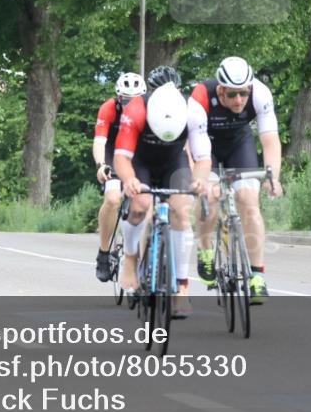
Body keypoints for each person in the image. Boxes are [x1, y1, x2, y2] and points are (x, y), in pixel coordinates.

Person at [113, 65, 211, 318]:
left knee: (181, 210)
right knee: (140, 205)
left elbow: (202, 158)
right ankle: (131, 260)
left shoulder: (193, 110)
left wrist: (199, 180)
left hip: (173, 162)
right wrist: (130, 179)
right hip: (141, 161)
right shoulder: (135, 110)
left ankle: (181, 287)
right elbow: (121, 157)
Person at [191, 56, 283, 304]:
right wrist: (201, 181)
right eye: (232, 95)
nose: (239, 100)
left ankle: (257, 275)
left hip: (238, 144)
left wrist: (272, 176)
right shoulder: (200, 97)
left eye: (243, 93)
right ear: (220, 89)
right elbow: (194, 146)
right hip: (205, 146)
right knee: (208, 197)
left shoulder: (260, 94)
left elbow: (270, 139)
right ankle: (206, 251)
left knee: (248, 201)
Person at [92, 71, 146, 282]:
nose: (129, 104)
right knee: (113, 199)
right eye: (125, 100)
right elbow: (100, 141)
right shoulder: (109, 108)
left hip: (137, 154)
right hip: (114, 154)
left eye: (134, 100)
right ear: (118, 97)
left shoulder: (149, 109)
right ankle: (104, 253)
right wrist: (101, 165)